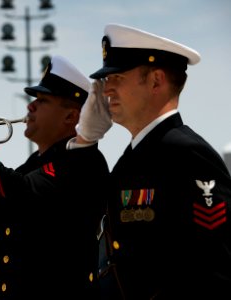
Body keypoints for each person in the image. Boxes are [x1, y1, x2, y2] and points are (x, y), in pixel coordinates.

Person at [0, 55, 110, 299]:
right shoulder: (34, 166)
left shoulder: (82, 163)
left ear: (70, 117)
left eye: (43, 100)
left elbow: (22, 194)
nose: (30, 106)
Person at [75, 23, 231, 299]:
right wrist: (84, 142)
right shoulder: (134, 158)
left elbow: (212, 270)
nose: (106, 89)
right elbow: (82, 213)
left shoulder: (186, 154)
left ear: (156, 81)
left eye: (117, 77)